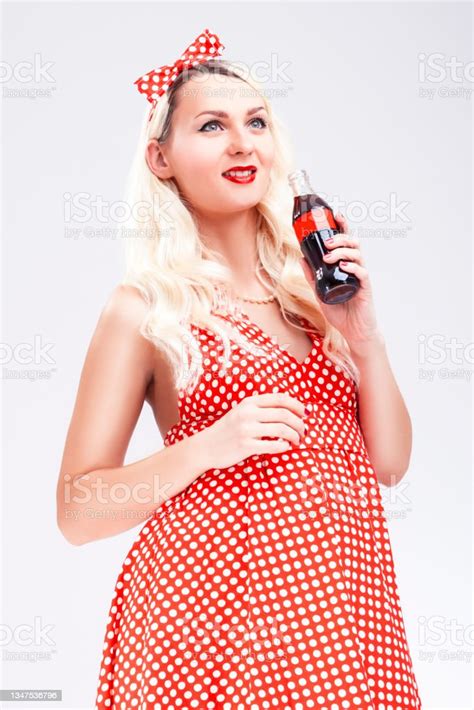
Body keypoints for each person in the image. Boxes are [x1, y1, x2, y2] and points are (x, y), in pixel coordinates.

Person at [56, 28, 423, 710]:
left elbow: (391, 464)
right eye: (212, 125)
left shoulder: (314, 294)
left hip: (346, 612)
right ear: (160, 158)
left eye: (256, 122)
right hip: (210, 621)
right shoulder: (144, 308)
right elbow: (78, 511)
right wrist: (210, 447)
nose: (242, 142)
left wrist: (366, 341)